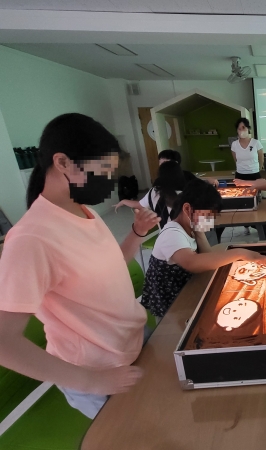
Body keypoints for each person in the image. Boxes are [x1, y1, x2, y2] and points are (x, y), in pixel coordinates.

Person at [0, 113, 161, 419]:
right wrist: (91, 381)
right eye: (104, 171)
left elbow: (108, 269)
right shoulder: (30, 239)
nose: (110, 181)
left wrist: (137, 234)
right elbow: (4, 343)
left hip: (135, 341)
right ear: (62, 162)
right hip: (99, 371)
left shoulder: (84, 211)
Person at [141, 179, 266, 317]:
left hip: (187, 288)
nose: (210, 222)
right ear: (187, 209)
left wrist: (199, 232)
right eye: (207, 216)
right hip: (170, 304)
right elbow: (192, 262)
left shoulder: (190, 228)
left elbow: (207, 255)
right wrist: (239, 253)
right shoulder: (172, 233)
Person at [114, 160, 186, 229]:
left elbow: (138, 205)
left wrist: (123, 201)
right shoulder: (187, 193)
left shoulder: (154, 192)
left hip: (164, 234)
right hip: (185, 235)